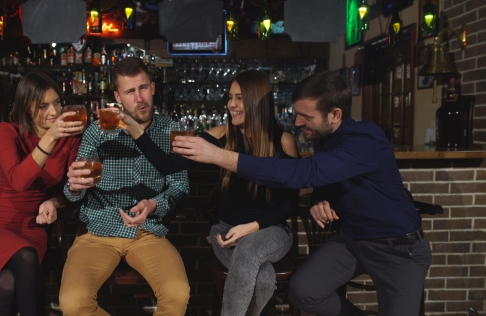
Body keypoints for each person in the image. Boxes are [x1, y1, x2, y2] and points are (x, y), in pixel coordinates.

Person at [172, 71, 431, 316]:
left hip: (397, 247)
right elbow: (325, 177)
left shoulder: (366, 140)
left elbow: (302, 173)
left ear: (335, 114)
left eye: (306, 116)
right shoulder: (323, 137)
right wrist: (320, 198)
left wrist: (217, 155)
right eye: (297, 114)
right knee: (303, 292)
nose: (297, 122)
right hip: (353, 242)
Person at [118, 70, 300, 316]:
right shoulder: (220, 134)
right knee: (264, 276)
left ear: (258, 101)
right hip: (225, 230)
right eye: (229, 97)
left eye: (239, 98)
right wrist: (136, 131)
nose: (231, 104)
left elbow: (289, 204)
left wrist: (252, 227)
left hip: (272, 231)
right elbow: (168, 165)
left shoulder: (284, 141)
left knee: (248, 251)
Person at [59, 57, 190, 316]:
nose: (139, 98)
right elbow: (74, 192)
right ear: (118, 97)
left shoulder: (173, 130)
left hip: (147, 230)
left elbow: (180, 187)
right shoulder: (97, 131)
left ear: (153, 88)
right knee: (73, 302)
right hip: (98, 229)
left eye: (143, 88)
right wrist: (73, 188)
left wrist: (154, 204)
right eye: (130, 92)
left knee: (178, 294)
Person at [0, 71, 84, 316]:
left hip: (31, 226)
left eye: (57, 102)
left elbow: (70, 190)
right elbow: (18, 180)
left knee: (7, 283)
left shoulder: (70, 139)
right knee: (24, 259)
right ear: (26, 107)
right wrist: (50, 137)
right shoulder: (7, 131)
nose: (54, 112)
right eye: (44, 105)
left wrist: (54, 203)